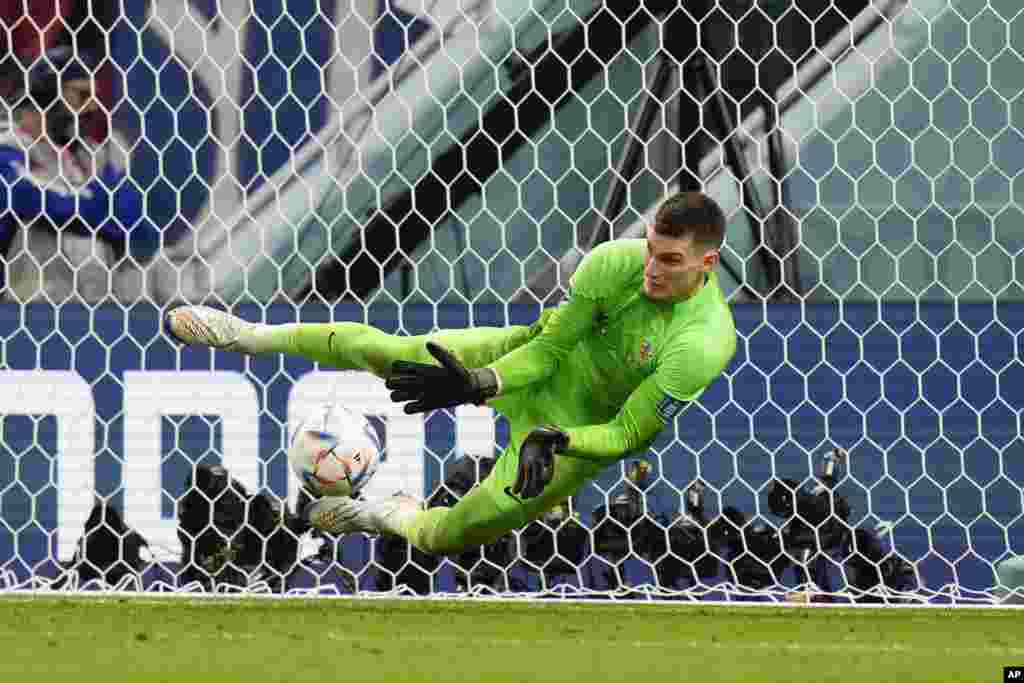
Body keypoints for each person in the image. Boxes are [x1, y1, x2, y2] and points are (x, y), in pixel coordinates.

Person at [165, 191, 737, 556]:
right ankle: (248, 335)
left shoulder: (703, 342)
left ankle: (383, 514)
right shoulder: (615, 261)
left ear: (707, 264)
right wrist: (479, 382)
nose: (652, 272)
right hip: (526, 354)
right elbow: (551, 348)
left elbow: (629, 435)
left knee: (453, 534)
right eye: (651, 252)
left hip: (571, 436)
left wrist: (557, 439)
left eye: (670, 261)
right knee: (394, 354)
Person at [0, 46, 156, 303]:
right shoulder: (8, 148)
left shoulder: (91, 156)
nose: (93, 106)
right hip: (22, 316)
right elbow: (28, 198)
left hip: (92, 314)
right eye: (82, 95)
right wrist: (97, 203)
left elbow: (134, 220)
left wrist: (76, 205)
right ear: (46, 94)